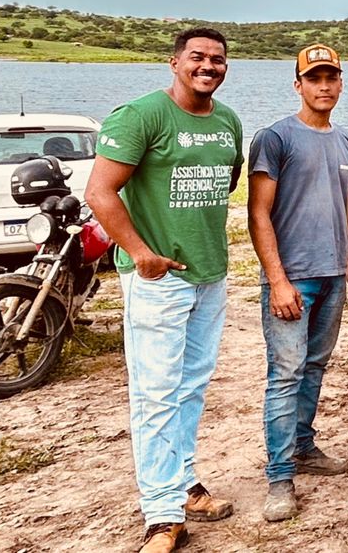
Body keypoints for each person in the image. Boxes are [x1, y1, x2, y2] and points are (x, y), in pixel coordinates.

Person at [86, 27, 244, 553]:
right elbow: (100, 192)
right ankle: (160, 515)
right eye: (197, 57)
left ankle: (182, 484)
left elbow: (225, 183)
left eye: (217, 59)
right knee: (154, 393)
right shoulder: (141, 116)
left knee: (190, 387)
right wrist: (141, 252)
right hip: (159, 280)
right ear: (174, 62)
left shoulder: (227, 122)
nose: (208, 66)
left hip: (209, 275)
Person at [248, 43, 348, 523]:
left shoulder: (346, 141)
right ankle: (280, 476)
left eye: (331, 78)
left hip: (331, 275)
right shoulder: (275, 138)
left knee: (314, 367)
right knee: (284, 374)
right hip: (294, 279)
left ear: (341, 83)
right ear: (298, 84)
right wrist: (277, 280)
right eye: (314, 78)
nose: (323, 86)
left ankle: (305, 447)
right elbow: (258, 213)